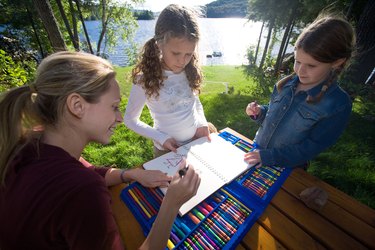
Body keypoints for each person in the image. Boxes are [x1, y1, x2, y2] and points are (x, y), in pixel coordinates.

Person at [0, 51, 200, 250]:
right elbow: (83, 182)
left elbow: (86, 170)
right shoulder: (82, 190)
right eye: (114, 107)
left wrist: (130, 174)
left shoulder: (28, 146)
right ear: (77, 106)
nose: (120, 118)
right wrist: (172, 204)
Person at [244, 14, 356, 169]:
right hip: (257, 154)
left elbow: (311, 148)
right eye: (297, 61)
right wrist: (259, 112)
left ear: (337, 62)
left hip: (288, 168)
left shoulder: (338, 104)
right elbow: (275, 115)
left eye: (311, 66)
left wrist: (269, 157)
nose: (300, 71)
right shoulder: (285, 84)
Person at [124, 4, 214, 158]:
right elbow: (130, 120)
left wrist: (202, 123)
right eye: (176, 53)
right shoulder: (145, 79)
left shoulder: (188, 70)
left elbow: (194, 101)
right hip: (167, 151)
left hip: (194, 143)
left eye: (188, 54)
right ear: (159, 45)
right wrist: (161, 138)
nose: (182, 61)